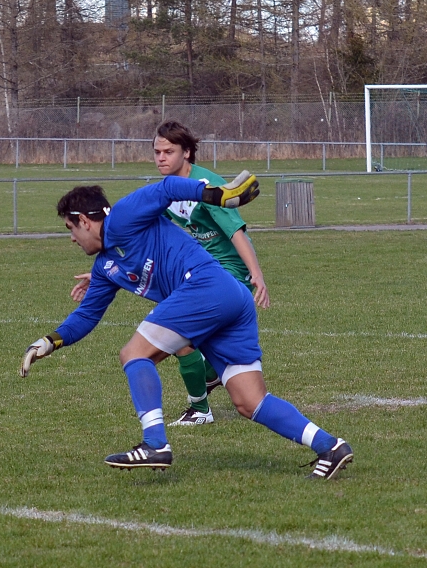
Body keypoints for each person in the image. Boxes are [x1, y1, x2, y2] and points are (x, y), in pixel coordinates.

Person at [20, 176, 353, 479]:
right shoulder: (106, 266)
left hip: (205, 287)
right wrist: (50, 341)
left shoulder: (122, 216)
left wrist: (218, 196)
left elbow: (166, 189)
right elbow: (87, 315)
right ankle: (330, 446)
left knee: (134, 353)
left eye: (70, 229)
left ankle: (155, 444)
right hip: (229, 296)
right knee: (249, 401)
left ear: (84, 220)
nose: (73, 239)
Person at [70, 120, 270, 427]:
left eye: (168, 151)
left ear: (187, 153)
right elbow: (139, 234)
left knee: (178, 337)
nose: (161, 157)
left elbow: (236, 232)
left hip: (225, 269)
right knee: (182, 339)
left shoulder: (204, 183)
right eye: (156, 151)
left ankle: (202, 403)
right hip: (196, 270)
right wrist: (106, 272)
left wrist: (256, 273)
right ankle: (206, 391)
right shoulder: (167, 191)